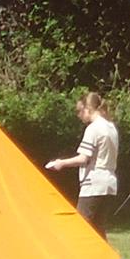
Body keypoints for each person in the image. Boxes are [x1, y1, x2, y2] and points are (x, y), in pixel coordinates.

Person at [44, 91, 121, 235]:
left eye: (79, 111)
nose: (79, 115)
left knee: (81, 229)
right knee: (98, 230)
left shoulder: (93, 128)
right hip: (109, 183)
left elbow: (83, 158)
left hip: (94, 183)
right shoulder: (111, 128)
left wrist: (61, 163)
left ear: (88, 109)